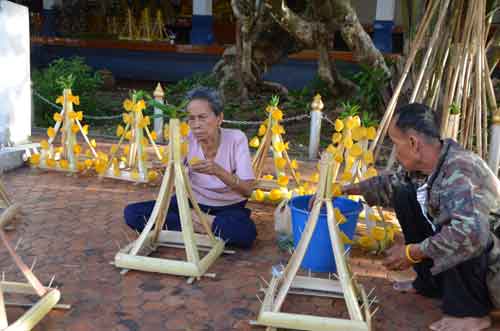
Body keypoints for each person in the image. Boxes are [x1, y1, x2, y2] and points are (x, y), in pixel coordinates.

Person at [341, 103, 500, 331]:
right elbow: (391, 184)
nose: (395, 151)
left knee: (462, 230)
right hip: (480, 255)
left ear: (414, 143)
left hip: (494, 267)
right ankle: (430, 284)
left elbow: (471, 234)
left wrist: (413, 252)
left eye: (395, 144)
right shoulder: (432, 164)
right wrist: (344, 190)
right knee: (405, 194)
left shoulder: (460, 170)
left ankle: (471, 313)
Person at [124, 87, 257, 249]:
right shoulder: (184, 137)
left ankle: (198, 224)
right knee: (132, 213)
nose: (196, 125)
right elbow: (172, 183)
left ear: (219, 118)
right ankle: (201, 226)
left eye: (202, 117)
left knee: (245, 232)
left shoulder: (236, 138)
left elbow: (248, 190)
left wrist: (218, 171)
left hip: (227, 208)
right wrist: (168, 170)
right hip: (190, 205)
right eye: (191, 119)